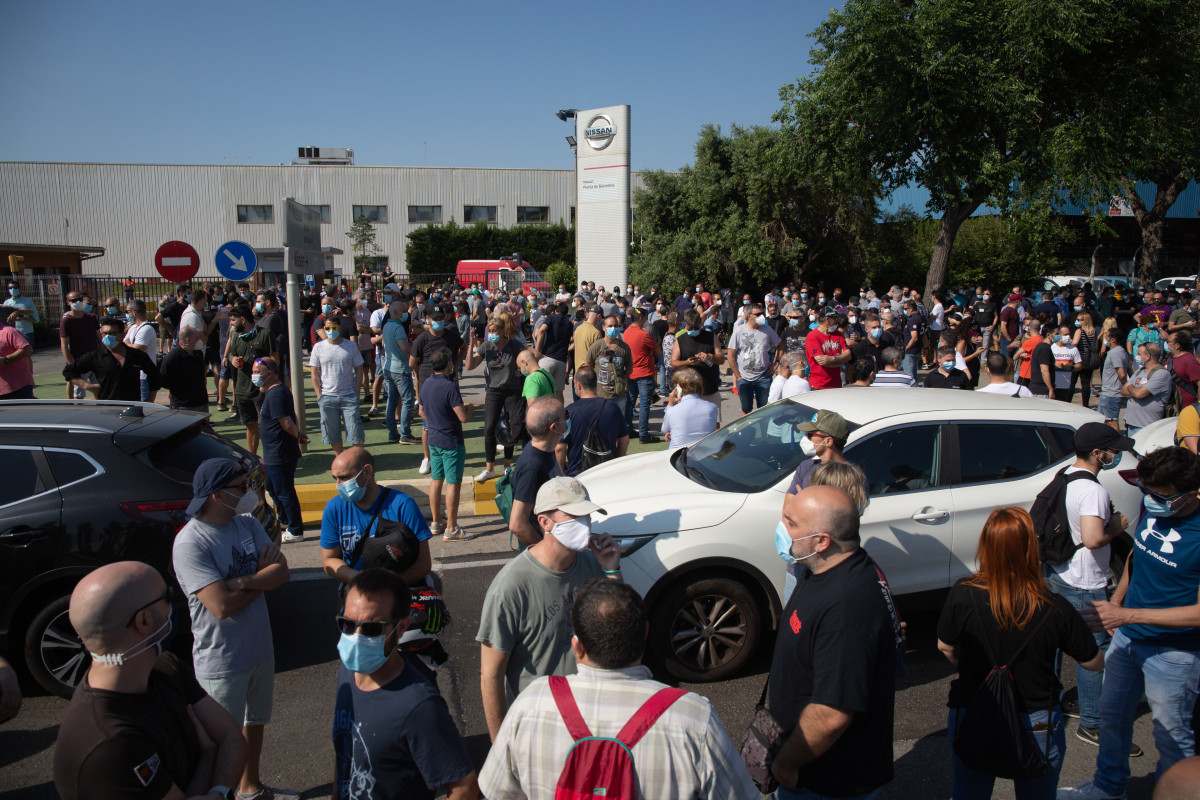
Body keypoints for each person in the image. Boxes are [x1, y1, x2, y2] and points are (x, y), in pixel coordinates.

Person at [479, 578, 758, 799]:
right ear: (645, 634)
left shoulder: (531, 702)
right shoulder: (694, 718)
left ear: (577, 647)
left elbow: (497, 791)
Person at [1060, 447, 1200, 800]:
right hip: (1128, 637)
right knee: (1112, 716)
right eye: (1146, 491)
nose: (1150, 499)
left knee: (1171, 734)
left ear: (1189, 492)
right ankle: (1109, 788)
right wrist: (1118, 601)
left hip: (1174, 652)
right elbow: (1140, 555)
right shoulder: (1154, 505)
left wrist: (1125, 616)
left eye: (1160, 494)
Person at [938, 507, 1104, 799]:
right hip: (1036, 717)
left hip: (973, 707)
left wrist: (969, 665)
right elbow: (1092, 662)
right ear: (1030, 549)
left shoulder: (962, 593)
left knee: (969, 791)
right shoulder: (1054, 607)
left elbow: (945, 645)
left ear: (986, 546)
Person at [53, 561, 246, 800]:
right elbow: (220, 743)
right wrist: (209, 756)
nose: (174, 603)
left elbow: (231, 736)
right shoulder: (111, 742)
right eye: (168, 596)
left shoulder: (167, 666)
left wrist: (216, 791)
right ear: (143, 621)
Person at [172, 459, 296, 800]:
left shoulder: (247, 524)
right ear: (217, 495)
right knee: (219, 741)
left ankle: (249, 788)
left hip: (258, 647)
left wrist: (240, 582)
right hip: (222, 660)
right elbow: (220, 606)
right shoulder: (190, 544)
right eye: (242, 487)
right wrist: (260, 578)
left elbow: (282, 574)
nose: (248, 492)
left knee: (254, 722)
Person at [769, 486, 899, 800]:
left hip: (826, 783)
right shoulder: (822, 567)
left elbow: (831, 714)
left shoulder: (846, 608)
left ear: (822, 541)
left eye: (792, 524)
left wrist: (786, 764)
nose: (782, 529)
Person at [477, 477, 622, 740]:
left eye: (587, 516)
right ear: (545, 522)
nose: (585, 524)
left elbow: (617, 629)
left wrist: (611, 570)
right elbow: (491, 675)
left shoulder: (591, 565)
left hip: (591, 717)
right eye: (574, 517)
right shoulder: (510, 587)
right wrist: (501, 745)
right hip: (539, 727)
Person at [332, 569, 479, 800]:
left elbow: (464, 788)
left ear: (401, 628)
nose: (356, 637)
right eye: (347, 625)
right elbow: (345, 760)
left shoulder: (419, 705)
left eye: (372, 629)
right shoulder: (347, 674)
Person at [1043, 423, 1136, 753]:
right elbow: (1093, 537)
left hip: (1058, 572)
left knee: (1053, 643)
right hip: (1085, 582)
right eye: (1113, 450)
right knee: (1094, 655)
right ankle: (1092, 723)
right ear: (1098, 453)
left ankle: (1049, 704)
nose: (1115, 454)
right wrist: (1117, 525)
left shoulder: (1065, 474)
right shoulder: (1093, 491)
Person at [320, 447, 433, 586]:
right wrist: (360, 578)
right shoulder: (334, 508)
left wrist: (387, 587)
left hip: (401, 588)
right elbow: (329, 559)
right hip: (359, 586)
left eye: (344, 477)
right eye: (335, 478)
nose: (338, 485)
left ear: (367, 472)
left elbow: (423, 564)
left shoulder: (402, 505)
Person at [419, 348, 476, 542]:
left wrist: (435, 422)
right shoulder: (450, 387)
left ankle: (436, 522)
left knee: (437, 480)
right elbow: (463, 417)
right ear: (448, 365)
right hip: (451, 441)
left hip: (434, 439)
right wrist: (470, 408)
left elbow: (421, 411)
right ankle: (451, 527)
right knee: (453, 483)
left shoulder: (426, 384)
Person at [253, 357, 306, 544]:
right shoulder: (274, 392)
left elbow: (286, 422)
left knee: (284, 491)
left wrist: (297, 435)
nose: (254, 376)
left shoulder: (275, 394)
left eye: (258, 373)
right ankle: (284, 519)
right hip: (274, 451)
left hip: (280, 452)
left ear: (270, 374)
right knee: (272, 488)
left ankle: (295, 529)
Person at [466, 317, 524, 483]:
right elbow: (470, 366)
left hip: (513, 391)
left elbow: (525, 360)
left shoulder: (514, 345)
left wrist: (521, 371)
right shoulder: (486, 346)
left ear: (502, 331)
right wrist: (471, 344)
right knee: (489, 427)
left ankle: (507, 465)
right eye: (489, 331)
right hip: (494, 390)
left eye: (494, 331)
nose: (491, 334)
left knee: (511, 426)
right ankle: (489, 467)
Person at [411, 310, 466, 475]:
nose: (439, 322)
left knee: (448, 419)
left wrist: (456, 364)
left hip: (447, 382)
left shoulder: (451, 335)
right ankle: (427, 458)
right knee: (427, 424)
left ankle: (444, 453)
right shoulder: (422, 339)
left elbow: (463, 347)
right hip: (428, 384)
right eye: (435, 319)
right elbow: (413, 362)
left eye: (441, 318)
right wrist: (420, 376)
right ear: (428, 319)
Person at [507, 397, 567, 548]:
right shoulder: (532, 466)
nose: (567, 420)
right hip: (545, 559)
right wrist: (546, 552)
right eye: (565, 416)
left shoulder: (546, 450)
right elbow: (517, 524)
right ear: (554, 427)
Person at [63, 316, 161, 402]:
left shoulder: (136, 355)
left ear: (122, 335)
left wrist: (150, 400)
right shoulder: (96, 356)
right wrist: (88, 386)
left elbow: (155, 376)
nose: (107, 337)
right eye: (104, 334)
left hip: (132, 407)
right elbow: (69, 371)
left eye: (112, 333)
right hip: (107, 408)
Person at [558, 364, 629, 476]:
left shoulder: (569, 411)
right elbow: (624, 440)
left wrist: (562, 472)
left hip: (578, 474)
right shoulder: (613, 408)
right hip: (607, 471)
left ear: (578, 386)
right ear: (596, 383)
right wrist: (616, 464)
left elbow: (560, 447)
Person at [226, 305, 278, 456]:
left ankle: (272, 456)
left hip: (262, 389)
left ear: (242, 319)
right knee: (250, 425)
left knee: (268, 425)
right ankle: (253, 457)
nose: (231, 323)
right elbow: (233, 355)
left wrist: (267, 382)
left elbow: (275, 360)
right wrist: (233, 359)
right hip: (243, 388)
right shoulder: (236, 336)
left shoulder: (265, 334)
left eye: (233, 320)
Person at [310, 313, 365, 455]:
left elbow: (359, 368)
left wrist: (357, 391)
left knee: (355, 431)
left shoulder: (351, 346)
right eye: (327, 328)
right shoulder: (318, 347)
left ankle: (357, 460)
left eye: (334, 327)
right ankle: (339, 459)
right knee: (332, 433)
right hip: (327, 397)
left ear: (339, 328)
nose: (331, 330)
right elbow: (314, 373)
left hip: (349, 396)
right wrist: (319, 395)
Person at [728, 302, 782, 413]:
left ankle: (763, 430)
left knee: (763, 410)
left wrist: (776, 363)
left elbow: (781, 345)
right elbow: (730, 355)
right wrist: (738, 376)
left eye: (762, 313)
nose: (761, 316)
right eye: (758, 314)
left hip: (763, 376)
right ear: (749, 316)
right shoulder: (739, 331)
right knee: (746, 410)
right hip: (744, 378)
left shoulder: (767, 330)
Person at [672, 308, 726, 418]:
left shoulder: (711, 337)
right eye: (690, 327)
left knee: (714, 424)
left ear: (700, 323)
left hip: (709, 389)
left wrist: (710, 356)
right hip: (687, 391)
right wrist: (687, 362)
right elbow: (673, 363)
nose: (693, 330)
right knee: (688, 422)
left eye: (696, 327)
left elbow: (721, 359)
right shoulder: (680, 340)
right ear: (685, 324)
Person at [378, 300, 418, 445]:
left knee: (392, 400)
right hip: (400, 368)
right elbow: (404, 347)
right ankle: (405, 433)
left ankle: (392, 433)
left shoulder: (387, 325)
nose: (406, 314)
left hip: (388, 367)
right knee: (407, 400)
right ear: (395, 312)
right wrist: (413, 357)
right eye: (403, 311)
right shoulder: (398, 327)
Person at [622, 309, 663, 442]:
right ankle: (644, 433)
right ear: (640, 319)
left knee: (630, 402)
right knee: (644, 404)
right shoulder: (644, 335)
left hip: (631, 373)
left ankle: (628, 429)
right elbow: (657, 350)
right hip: (644, 373)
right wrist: (650, 353)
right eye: (644, 318)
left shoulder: (627, 332)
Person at [585, 315, 634, 416]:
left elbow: (629, 368)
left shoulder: (624, 347)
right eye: (610, 326)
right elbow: (588, 366)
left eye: (616, 326)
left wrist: (620, 379)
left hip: (618, 395)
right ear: (603, 327)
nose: (613, 328)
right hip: (600, 394)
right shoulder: (597, 346)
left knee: (617, 424)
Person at [662, 366, 719, 451]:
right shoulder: (712, 408)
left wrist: (670, 404)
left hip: (678, 455)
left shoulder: (673, 410)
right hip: (703, 454)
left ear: (678, 389)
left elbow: (664, 430)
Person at [1122, 341, 1171, 435]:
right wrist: (1137, 388)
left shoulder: (1161, 374)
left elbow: (1139, 394)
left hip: (1146, 426)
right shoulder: (1140, 371)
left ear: (1147, 356)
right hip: (1131, 423)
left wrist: (1132, 387)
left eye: (1139, 354)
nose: (1137, 356)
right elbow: (1123, 391)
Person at [60, 289, 101, 399]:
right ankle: (73, 406)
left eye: (79, 299)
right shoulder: (66, 321)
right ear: (68, 302)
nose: (77, 302)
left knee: (99, 390)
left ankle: (100, 411)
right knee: (78, 394)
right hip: (78, 361)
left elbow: (99, 338)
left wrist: (103, 355)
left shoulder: (91, 318)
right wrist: (71, 364)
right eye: (73, 300)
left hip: (95, 359)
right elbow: (64, 345)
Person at [159, 326, 210, 412]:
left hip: (201, 402)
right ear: (188, 340)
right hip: (183, 405)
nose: (199, 341)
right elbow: (163, 380)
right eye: (197, 338)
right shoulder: (172, 357)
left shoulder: (198, 354)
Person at [533, 300, 572, 401]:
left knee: (541, 389)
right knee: (559, 392)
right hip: (562, 361)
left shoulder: (551, 318)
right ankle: (560, 415)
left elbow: (541, 331)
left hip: (548, 358)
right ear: (566, 313)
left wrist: (538, 350)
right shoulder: (569, 323)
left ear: (556, 311)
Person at [804, 309, 851, 390]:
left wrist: (833, 358)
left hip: (836, 384)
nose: (837, 321)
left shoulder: (838, 334)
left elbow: (848, 355)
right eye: (835, 318)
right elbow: (822, 361)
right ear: (827, 319)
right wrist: (841, 362)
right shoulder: (813, 336)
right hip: (819, 385)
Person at [123, 299, 158, 402]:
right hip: (134, 374)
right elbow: (124, 343)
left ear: (134, 312)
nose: (127, 315)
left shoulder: (147, 329)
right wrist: (130, 345)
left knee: (144, 404)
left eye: (128, 312)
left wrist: (129, 344)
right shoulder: (133, 328)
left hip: (145, 375)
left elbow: (138, 349)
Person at [1099, 328, 1131, 431]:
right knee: (1102, 421)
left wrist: (1127, 387)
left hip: (1111, 395)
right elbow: (1130, 370)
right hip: (1109, 393)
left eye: (1107, 336)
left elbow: (1121, 374)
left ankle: (1115, 445)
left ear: (1113, 340)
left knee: (1111, 422)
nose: (1105, 338)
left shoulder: (1115, 353)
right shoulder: (1121, 351)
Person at [0, 310, 34, 400]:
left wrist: (5, 360)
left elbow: (27, 350)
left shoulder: (9, 332)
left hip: (18, 388)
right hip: (2, 391)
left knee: (24, 413)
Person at [1072, 311, 1101, 409]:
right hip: (1089, 360)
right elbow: (1096, 346)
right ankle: (1085, 404)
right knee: (1086, 383)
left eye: (1079, 320)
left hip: (1079, 359)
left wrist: (1070, 342)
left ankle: (1068, 401)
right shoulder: (1093, 331)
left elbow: (1075, 343)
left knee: (1073, 382)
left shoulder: (1080, 331)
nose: (1077, 321)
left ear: (1085, 321)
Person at [1166, 330, 1200, 408]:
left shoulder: (1188, 360)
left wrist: (1198, 407)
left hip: (1188, 406)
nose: (1167, 343)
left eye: (1169, 341)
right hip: (1174, 406)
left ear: (1177, 345)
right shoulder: (1170, 358)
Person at [1050, 324, 1083, 403]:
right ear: (1059, 335)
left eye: (1069, 334)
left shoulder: (1073, 349)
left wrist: (1071, 367)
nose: (1068, 336)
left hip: (1066, 385)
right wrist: (1054, 365)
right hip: (1052, 384)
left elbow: (1079, 365)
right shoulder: (1051, 348)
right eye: (1065, 334)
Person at [3, 278, 38, 343]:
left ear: (19, 288)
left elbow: (36, 319)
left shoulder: (28, 301)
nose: (12, 290)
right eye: (10, 288)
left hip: (26, 333)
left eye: (15, 287)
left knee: (27, 353)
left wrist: (24, 318)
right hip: (12, 334)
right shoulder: (6, 303)